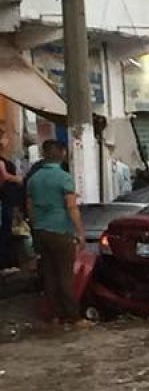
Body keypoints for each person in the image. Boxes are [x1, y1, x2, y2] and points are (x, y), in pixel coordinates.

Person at [26, 140, 87, 324]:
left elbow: (29, 208)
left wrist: (36, 229)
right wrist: (80, 232)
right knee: (65, 276)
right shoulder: (64, 177)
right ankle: (73, 317)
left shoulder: (33, 179)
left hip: (40, 231)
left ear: (44, 155)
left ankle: (53, 315)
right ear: (61, 153)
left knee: (49, 275)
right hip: (60, 231)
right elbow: (71, 207)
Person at [0, 128, 25, 269]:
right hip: (4, 202)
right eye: (4, 137)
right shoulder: (1, 161)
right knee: (4, 233)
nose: (7, 140)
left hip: (7, 202)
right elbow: (3, 176)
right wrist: (17, 179)